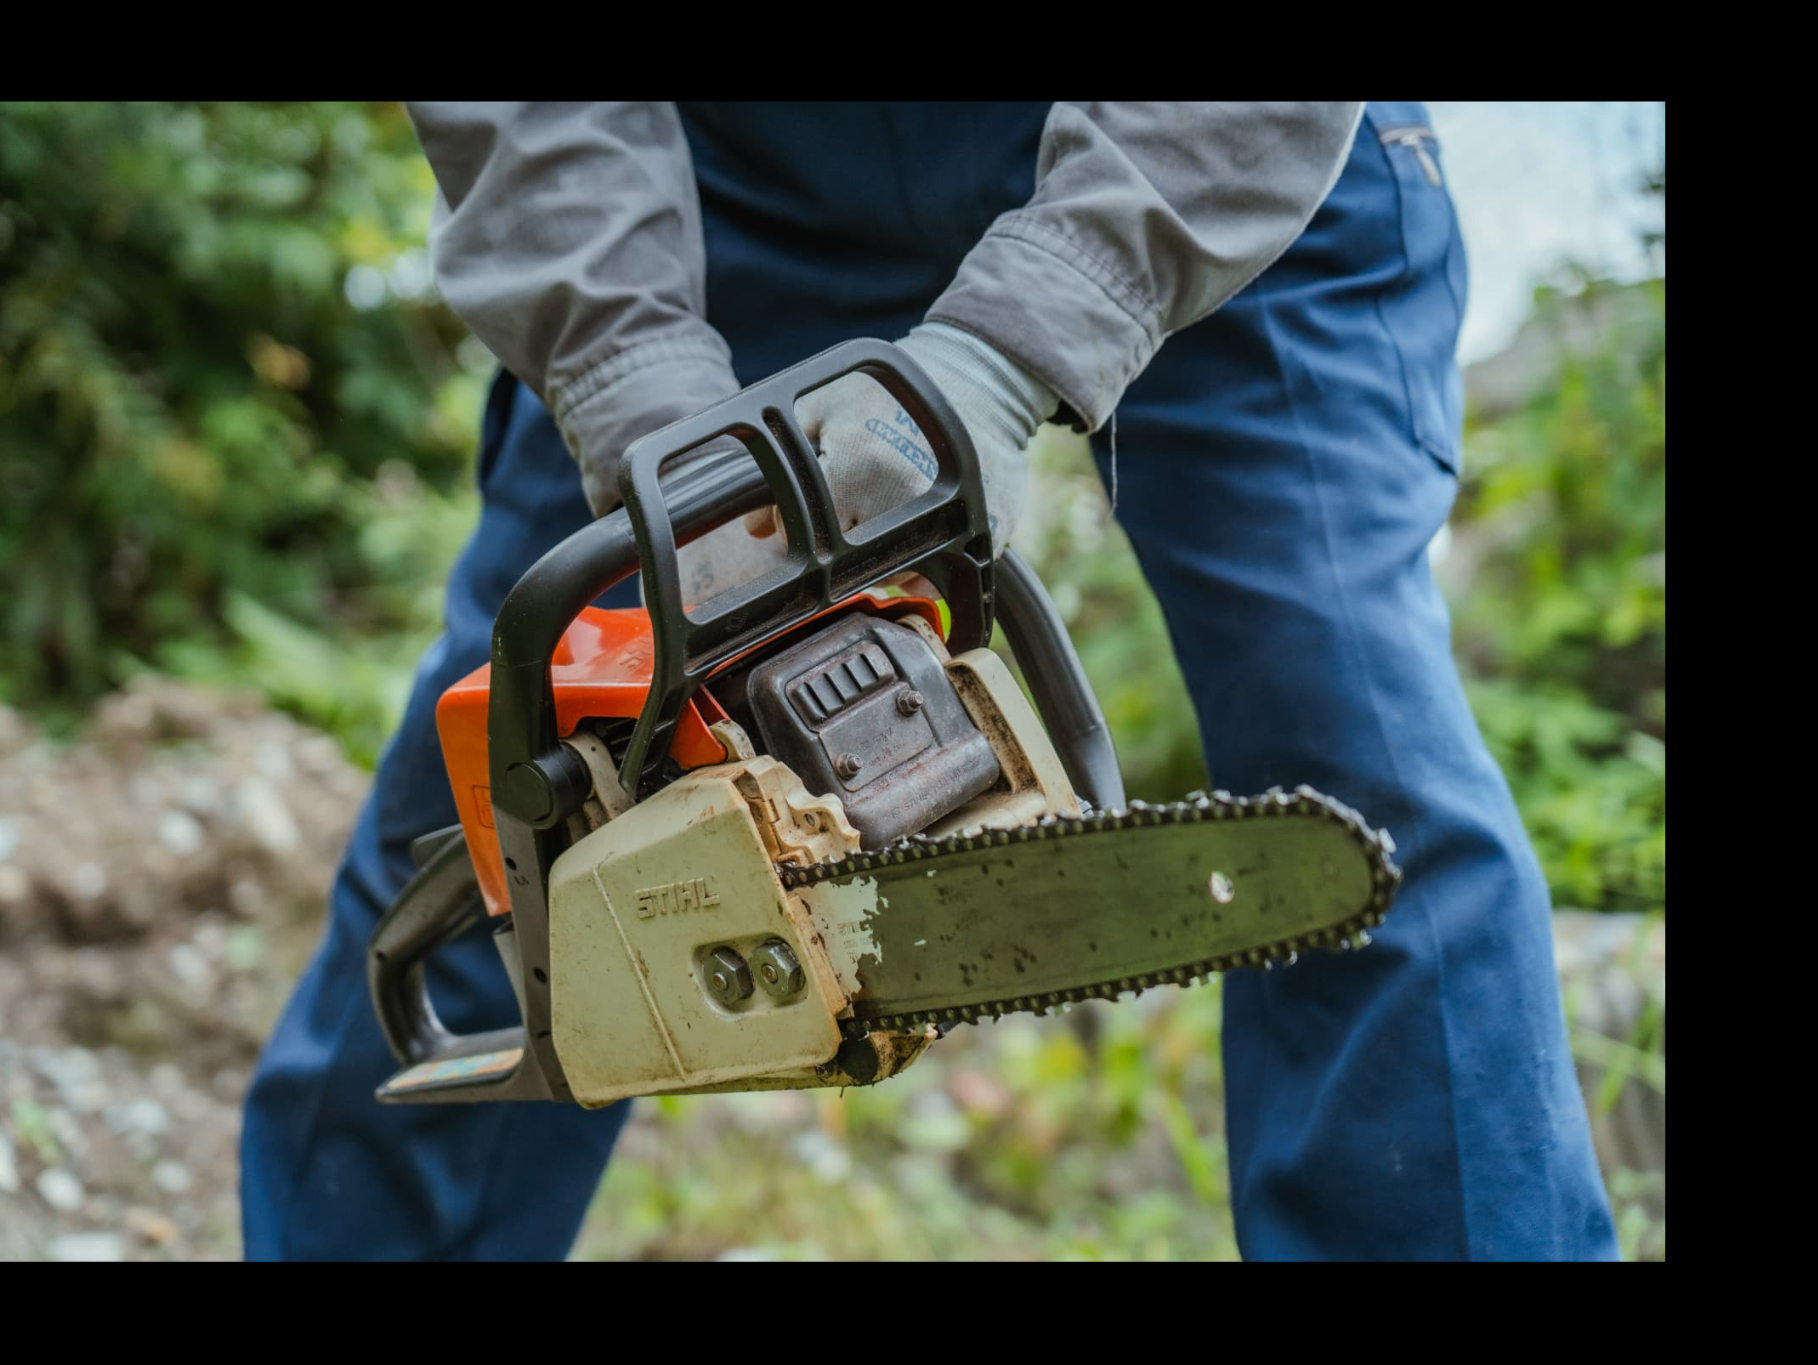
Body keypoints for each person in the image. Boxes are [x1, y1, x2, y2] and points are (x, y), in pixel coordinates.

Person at [240, 102, 1618, 1261]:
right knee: (537, 775)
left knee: (1351, 735)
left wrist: (1021, 342)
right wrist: (640, 387)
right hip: (703, 186)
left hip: (1220, 158)